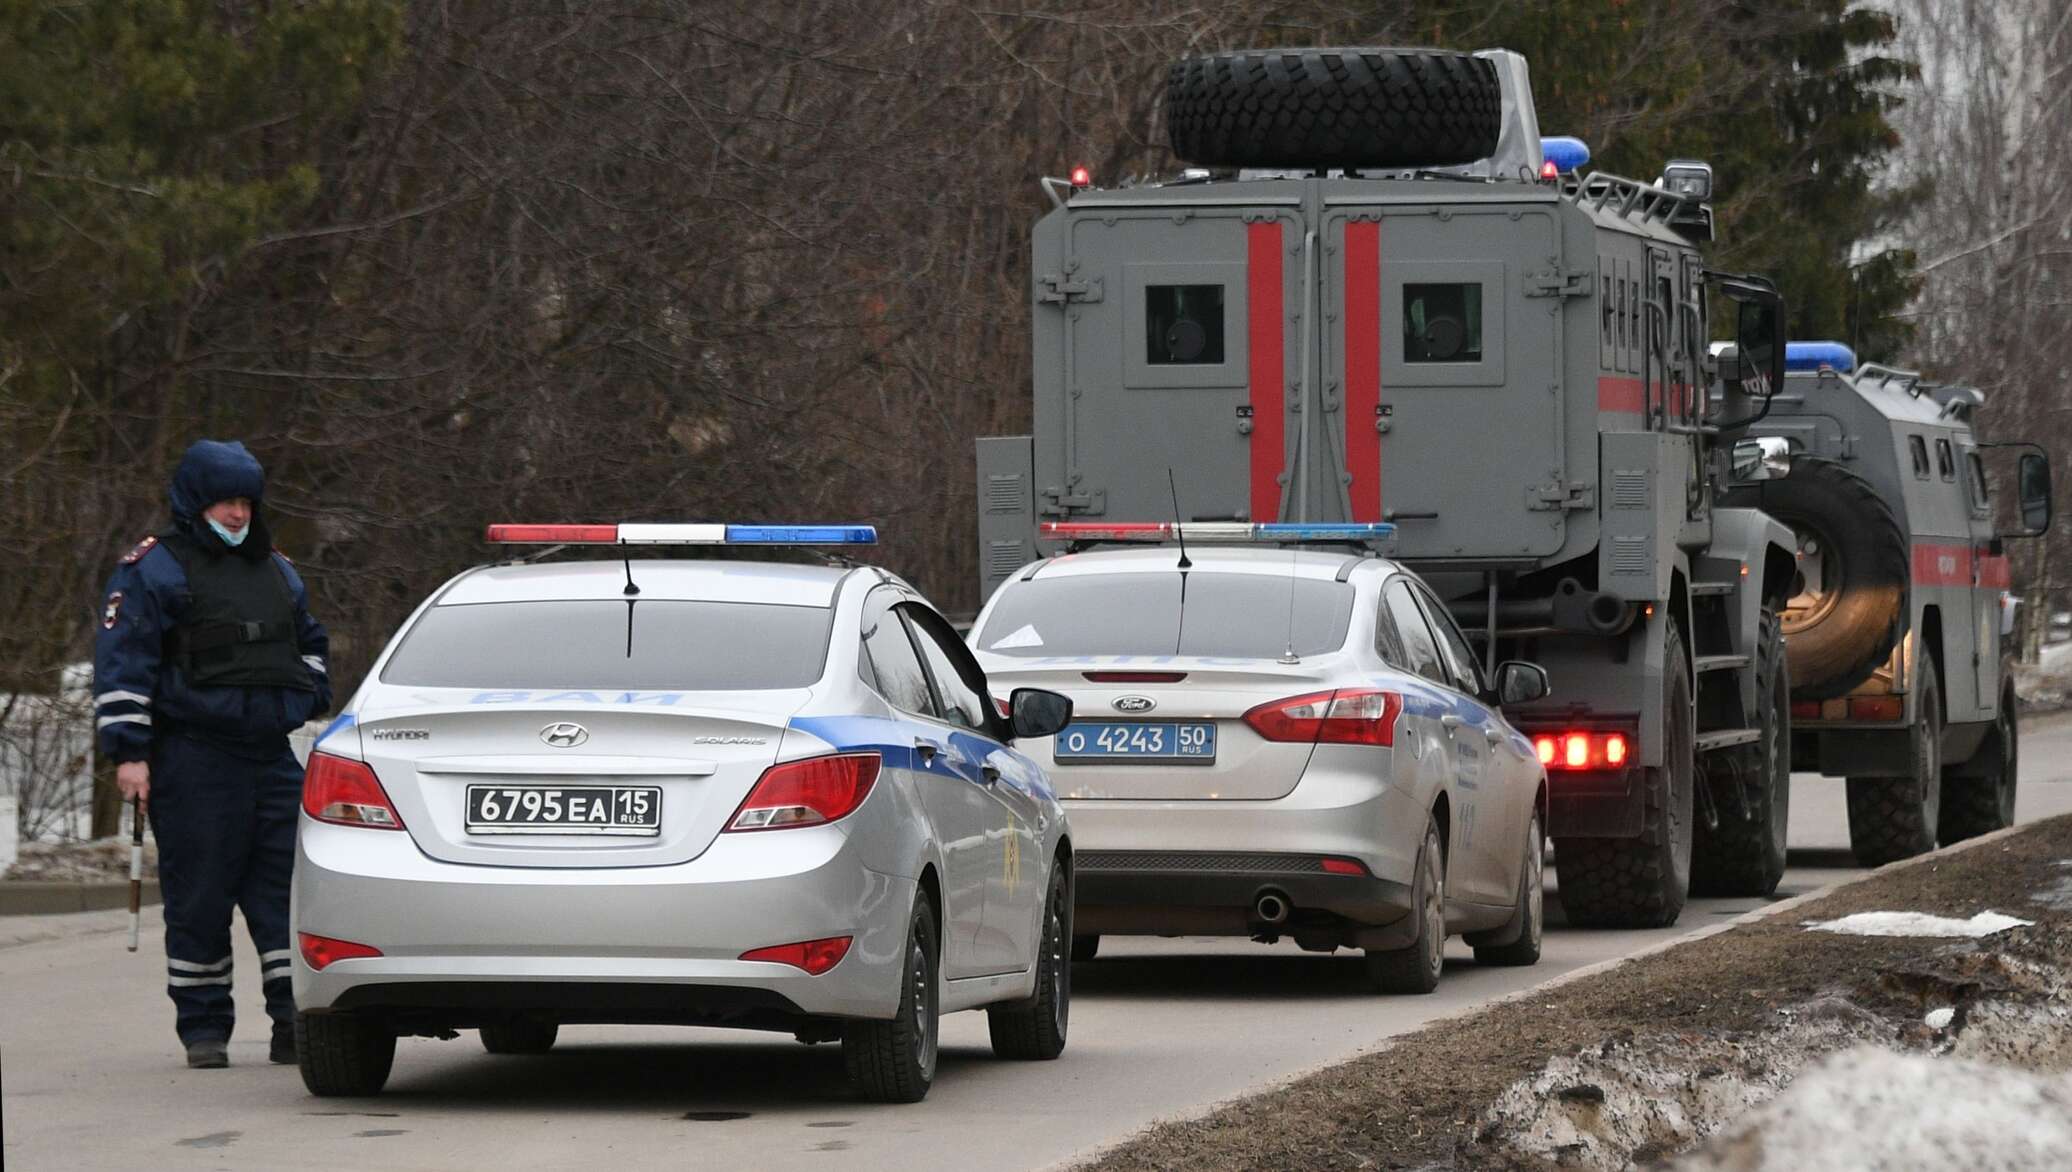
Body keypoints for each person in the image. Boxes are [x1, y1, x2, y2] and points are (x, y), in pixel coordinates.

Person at [92, 440, 331, 1068]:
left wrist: (305, 695)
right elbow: (125, 667)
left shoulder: (277, 569)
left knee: (284, 896)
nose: (237, 514)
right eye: (226, 501)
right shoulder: (153, 569)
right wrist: (130, 754)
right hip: (194, 757)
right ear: (196, 503)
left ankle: (292, 1024)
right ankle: (204, 1029)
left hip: (270, 757)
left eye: (246, 502)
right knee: (200, 896)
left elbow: (310, 642)